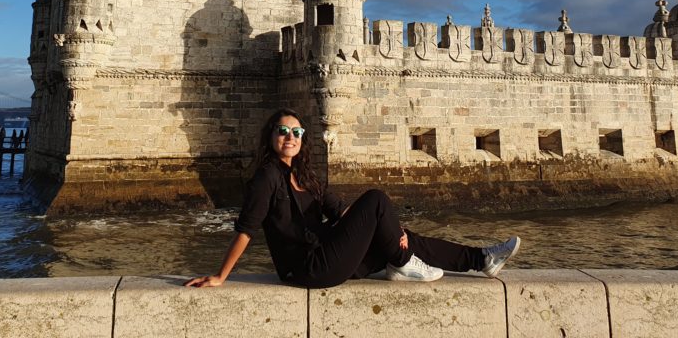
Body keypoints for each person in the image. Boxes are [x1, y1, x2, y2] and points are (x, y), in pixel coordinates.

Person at [185, 108, 520, 289]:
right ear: (270, 137)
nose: (290, 137)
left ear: (304, 139)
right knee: (375, 198)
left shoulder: (304, 175)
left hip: (330, 255)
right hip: (308, 269)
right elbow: (247, 229)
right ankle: (402, 264)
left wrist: (393, 232)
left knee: (406, 237)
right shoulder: (267, 176)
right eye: (282, 131)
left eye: (297, 132)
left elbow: (342, 213)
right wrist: (220, 276)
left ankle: (481, 260)